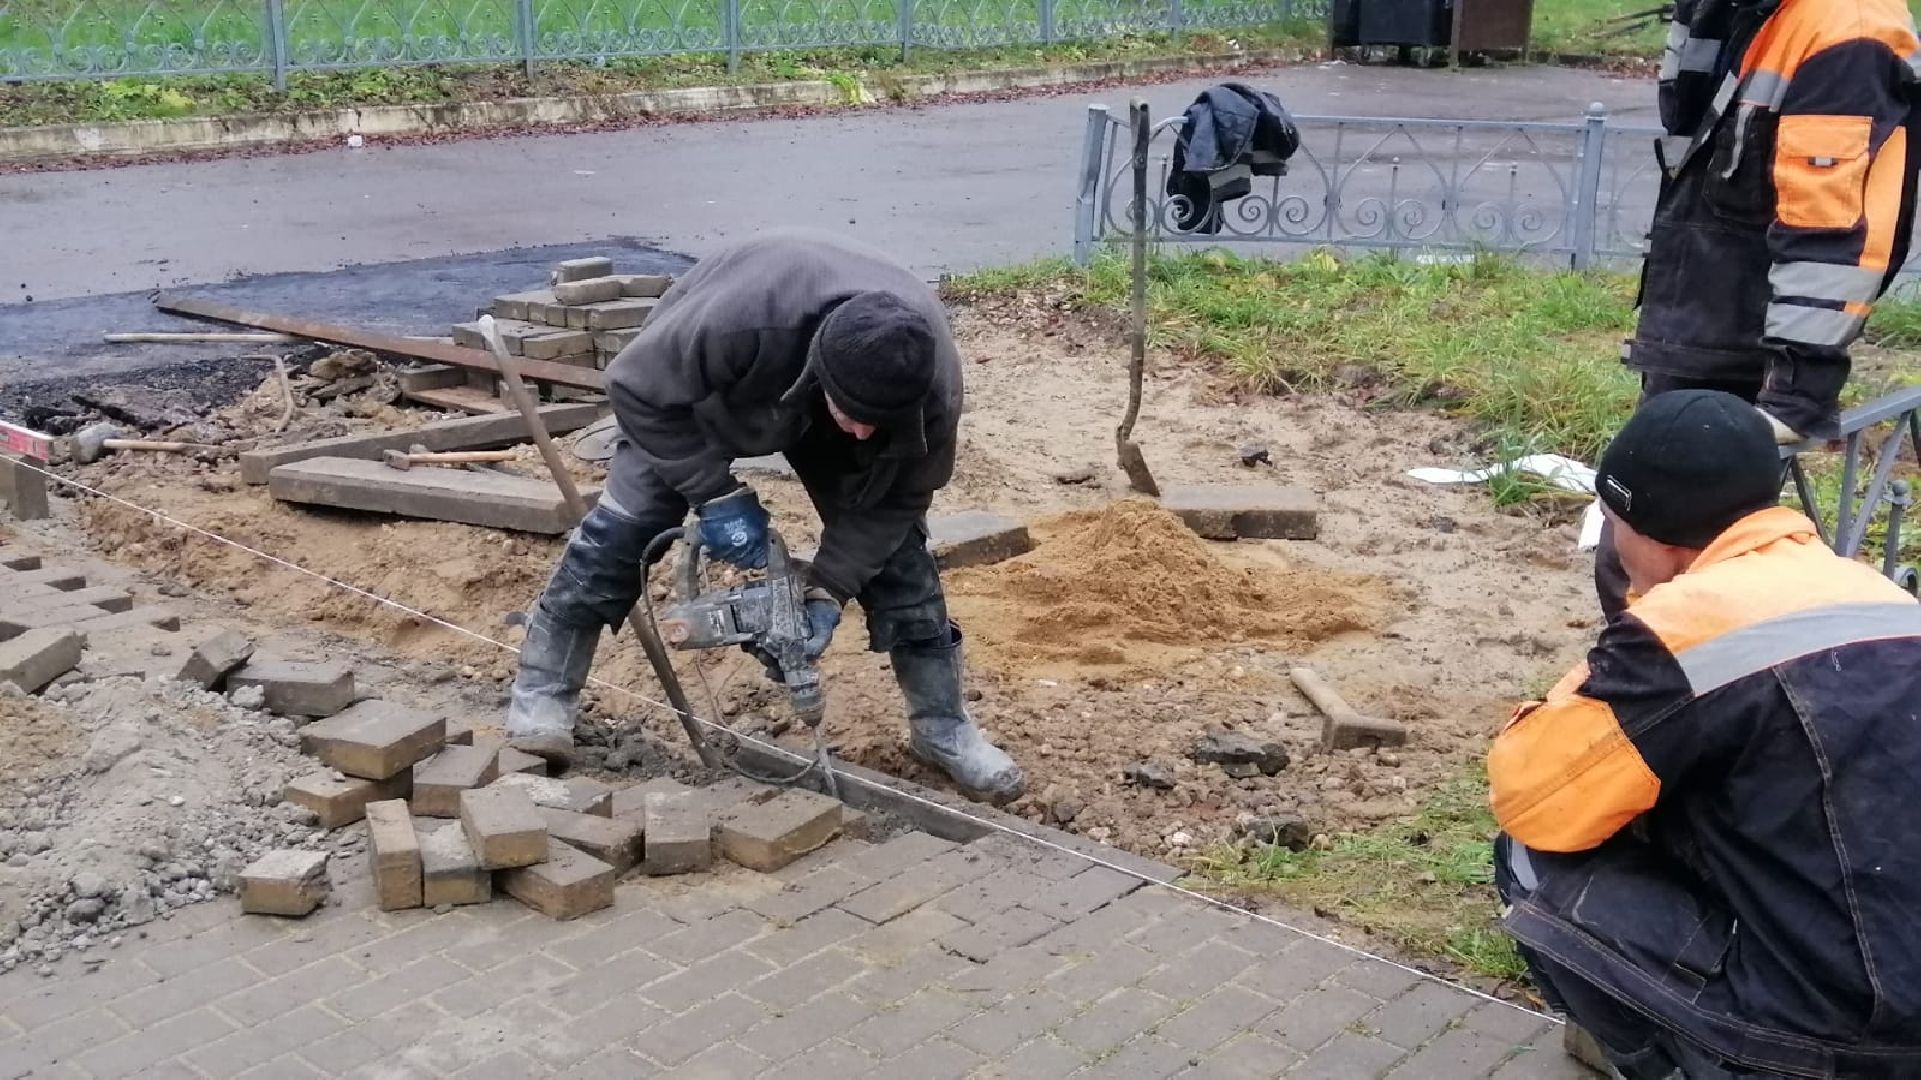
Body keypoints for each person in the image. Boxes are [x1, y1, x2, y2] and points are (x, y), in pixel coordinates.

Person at [504, 228, 1025, 805]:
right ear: (824, 375)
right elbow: (635, 388)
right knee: (622, 530)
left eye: (877, 423)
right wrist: (716, 494)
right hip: (726, 388)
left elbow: (897, 501)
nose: (862, 432)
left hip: (834, 390)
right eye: (853, 414)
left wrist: (828, 590)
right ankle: (543, 696)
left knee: (901, 563)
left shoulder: (928, 391)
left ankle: (942, 729)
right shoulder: (739, 320)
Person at [1489, 390, 1921, 1079]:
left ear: (1646, 532)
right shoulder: (1881, 596)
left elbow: (1532, 794)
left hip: (1830, 1035)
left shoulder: (1689, 624)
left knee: (1527, 857)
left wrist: (1612, 657)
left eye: (1609, 521)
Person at [1598, 0, 1921, 617]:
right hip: (1700, 325)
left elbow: (1832, 233)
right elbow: (1693, 136)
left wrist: (1792, 395)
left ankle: (1679, 703)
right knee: (1637, 561)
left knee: (1681, 588)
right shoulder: (1736, 11)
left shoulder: (1843, 28)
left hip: (1749, 359)